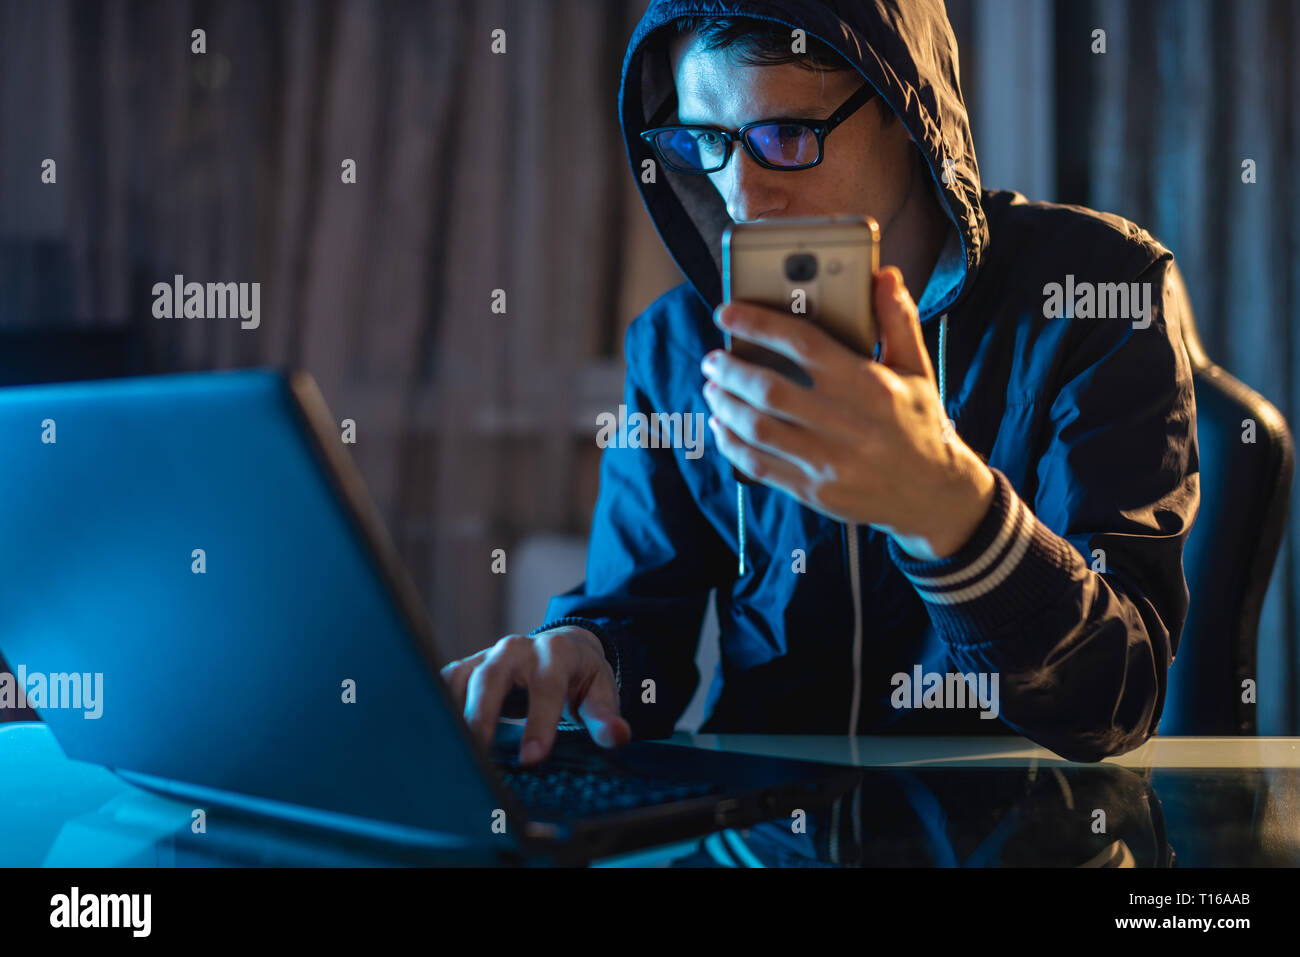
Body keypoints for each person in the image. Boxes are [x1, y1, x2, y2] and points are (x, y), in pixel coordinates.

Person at [441, 0, 1199, 766]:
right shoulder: (679, 344)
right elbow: (642, 625)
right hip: (763, 831)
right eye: (707, 140)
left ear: (906, 111)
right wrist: (586, 656)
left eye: (785, 134)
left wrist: (948, 508)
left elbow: (1116, 699)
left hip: (1026, 828)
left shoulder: (1096, 293)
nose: (742, 193)